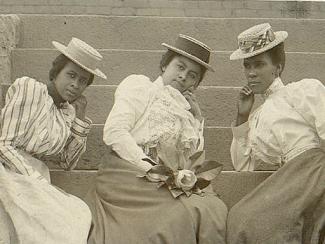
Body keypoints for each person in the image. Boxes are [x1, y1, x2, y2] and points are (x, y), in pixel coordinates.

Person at [85, 34, 228, 244]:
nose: (183, 77)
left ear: (196, 83)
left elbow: (191, 157)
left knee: (215, 208)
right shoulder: (141, 87)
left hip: (168, 180)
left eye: (192, 75)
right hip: (129, 175)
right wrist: (151, 168)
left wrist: (196, 119)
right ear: (164, 65)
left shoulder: (185, 110)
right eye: (180, 67)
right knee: (186, 211)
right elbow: (114, 132)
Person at [0, 37, 107, 244]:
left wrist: (80, 119)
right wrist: (37, 183)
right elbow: (3, 144)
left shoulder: (67, 113)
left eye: (83, 81)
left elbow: (67, 163)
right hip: (9, 171)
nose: (75, 85)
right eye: (71, 75)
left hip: (37, 178)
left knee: (79, 216)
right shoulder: (30, 88)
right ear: (57, 71)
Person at [227, 23, 325, 243]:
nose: (251, 73)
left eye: (259, 65)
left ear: (278, 67)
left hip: (314, 171)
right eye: (247, 65)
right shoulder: (257, 117)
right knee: (239, 217)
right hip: (287, 177)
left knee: (252, 221)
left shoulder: (299, 91)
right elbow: (242, 165)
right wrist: (242, 116)